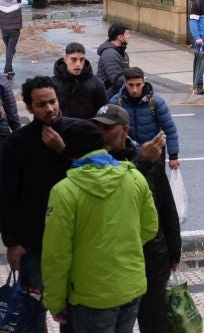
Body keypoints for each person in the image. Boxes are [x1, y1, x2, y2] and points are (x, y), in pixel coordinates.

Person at [42, 121, 158, 333]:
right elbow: (150, 227)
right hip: (130, 285)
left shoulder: (64, 191)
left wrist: (55, 300)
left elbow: (56, 253)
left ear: (70, 153)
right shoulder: (133, 177)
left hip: (90, 293)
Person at [0, 77, 95, 333]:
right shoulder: (15, 144)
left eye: (52, 102)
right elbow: (7, 197)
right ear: (29, 108)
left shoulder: (80, 132)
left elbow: (95, 179)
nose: (50, 108)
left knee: (74, 310)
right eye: (41, 104)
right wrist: (12, 242)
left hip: (76, 241)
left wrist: (62, 150)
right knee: (32, 312)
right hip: (34, 244)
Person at [91, 104, 181, 333]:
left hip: (153, 258)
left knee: (154, 323)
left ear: (125, 130)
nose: (101, 132)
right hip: (116, 261)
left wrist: (174, 250)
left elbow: (166, 207)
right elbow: (112, 194)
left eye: (107, 127)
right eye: (98, 127)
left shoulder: (148, 160)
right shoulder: (95, 165)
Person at [111, 67, 180, 170]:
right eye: (131, 85)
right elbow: (109, 132)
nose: (135, 89)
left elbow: (170, 130)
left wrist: (173, 156)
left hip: (153, 154)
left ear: (143, 82)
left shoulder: (156, 102)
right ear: (125, 83)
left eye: (138, 85)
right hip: (127, 156)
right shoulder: (116, 103)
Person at [51, 42, 108, 119]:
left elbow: (104, 111)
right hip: (60, 129)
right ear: (65, 60)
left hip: (87, 129)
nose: (78, 64)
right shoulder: (53, 83)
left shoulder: (96, 84)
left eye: (82, 60)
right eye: (73, 59)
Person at [0, 0, 32, 79]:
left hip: (4, 30)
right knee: (10, 50)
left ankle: (9, 70)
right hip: (14, 31)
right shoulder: (18, 1)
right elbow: (30, 1)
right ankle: (8, 70)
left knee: (9, 50)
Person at [97, 24, 131, 98]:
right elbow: (117, 80)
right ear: (120, 37)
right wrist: (133, 82)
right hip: (107, 96)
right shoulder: (110, 54)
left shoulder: (122, 52)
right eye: (127, 34)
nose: (129, 36)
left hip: (117, 92)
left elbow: (127, 73)